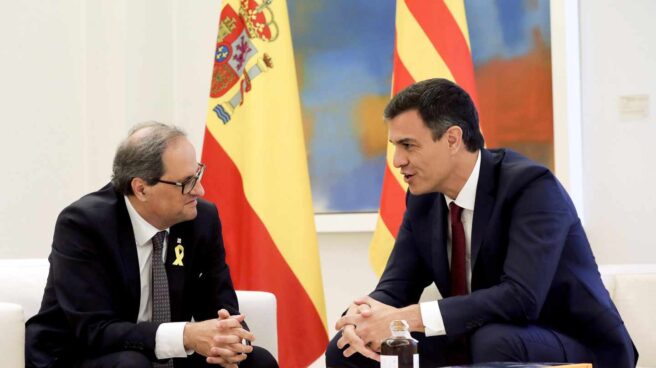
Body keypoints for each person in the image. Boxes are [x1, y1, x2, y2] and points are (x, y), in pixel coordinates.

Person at [326, 78, 638, 368]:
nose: (397, 161)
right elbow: (396, 287)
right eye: (395, 146)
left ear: (452, 139)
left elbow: (520, 298)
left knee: (494, 341)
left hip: (574, 341)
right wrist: (360, 319)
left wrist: (411, 317)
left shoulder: (530, 187)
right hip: (475, 336)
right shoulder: (423, 199)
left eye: (408, 145)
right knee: (347, 350)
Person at [26, 122, 278, 368]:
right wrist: (186, 335)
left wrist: (229, 339)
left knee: (257, 361)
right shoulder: (84, 225)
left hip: (165, 355)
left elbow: (220, 306)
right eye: (186, 182)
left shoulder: (202, 219)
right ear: (141, 188)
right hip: (83, 354)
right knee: (132, 364)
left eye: (198, 174)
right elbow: (94, 330)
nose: (199, 190)